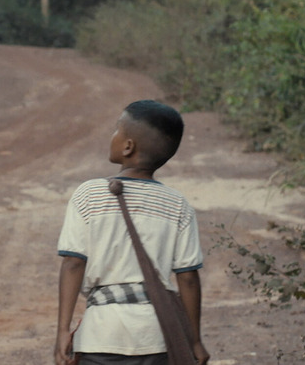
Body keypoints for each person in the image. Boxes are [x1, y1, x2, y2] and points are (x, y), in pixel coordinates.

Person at [54, 100, 209, 365]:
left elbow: (73, 263)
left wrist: (62, 330)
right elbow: (188, 278)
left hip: (100, 335)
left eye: (117, 129)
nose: (112, 136)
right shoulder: (177, 204)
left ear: (128, 146)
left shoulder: (89, 194)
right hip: (157, 337)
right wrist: (194, 340)